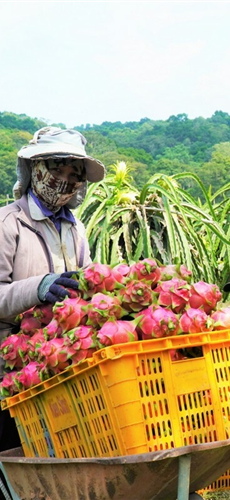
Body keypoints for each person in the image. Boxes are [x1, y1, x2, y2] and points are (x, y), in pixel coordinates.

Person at [0, 127, 105, 460]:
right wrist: (40, 287)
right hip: (8, 365)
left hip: (56, 361)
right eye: (57, 168)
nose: (65, 179)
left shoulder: (75, 229)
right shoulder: (8, 223)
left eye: (74, 174)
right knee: (11, 453)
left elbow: (84, 282)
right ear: (35, 168)